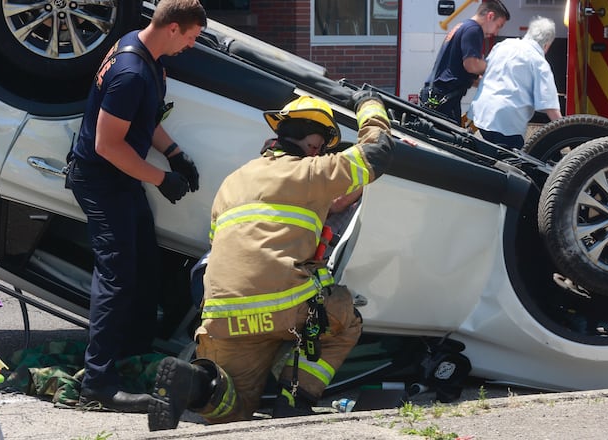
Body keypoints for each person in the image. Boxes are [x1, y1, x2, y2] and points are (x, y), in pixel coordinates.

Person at [147, 91, 394, 431]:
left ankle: (193, 382)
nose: (320, 151)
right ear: (312, 141)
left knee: (232, 408)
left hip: (222, 318)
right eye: (321, 145)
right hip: (282, 310)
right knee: (346, 318)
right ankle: (295, 399)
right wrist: (369, 104)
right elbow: (377, 152)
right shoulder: (314, 172)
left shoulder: (233, 182)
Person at [65, 0, 207, 413]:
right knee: (117, 277)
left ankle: (131, 355)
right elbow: (107, 145)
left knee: (145, 265)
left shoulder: (146, 55)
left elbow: (144, 118)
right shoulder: (130, 71)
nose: (192, 46)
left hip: (122, 179)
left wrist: (175, 153)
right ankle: (99, 384)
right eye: (193, 38)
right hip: (102, 181)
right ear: (175, 28)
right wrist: (161, 177)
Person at [468, 16, 562, 149]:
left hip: (482, 114)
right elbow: (551, 107)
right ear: (547, 45)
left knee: (490, 158)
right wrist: (566, 134)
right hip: (506, 122)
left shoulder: (503, 45)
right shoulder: (539, 62)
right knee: (512, 164)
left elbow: (485, 72)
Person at [419, 0, 510, 125]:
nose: (496, 32)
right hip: (444, 98)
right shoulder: (474, 29)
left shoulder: (463, 26)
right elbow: (471, 65)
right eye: (498, 26)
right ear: (490, 16)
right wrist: (496, 68)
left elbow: (460, 72)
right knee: (448, 142)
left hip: (440, 95)